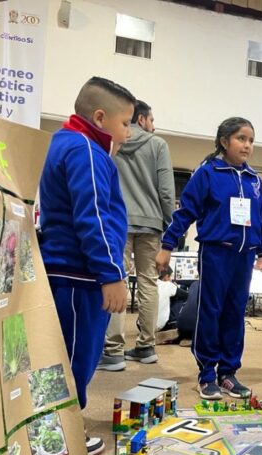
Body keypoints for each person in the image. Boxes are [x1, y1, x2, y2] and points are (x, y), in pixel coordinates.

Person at [38, 76, 135, 455]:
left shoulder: (67, 141)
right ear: (100, 117)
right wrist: (110, 274)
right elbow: (93, 217)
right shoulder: (86, 151)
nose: (129, 132)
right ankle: (64, 430)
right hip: (80, 275)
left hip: (72, 271)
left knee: (68, 352)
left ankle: (60, 423)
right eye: (126, 123)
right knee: (77, 355)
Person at [155, 117, 262, 401]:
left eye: (251, 140)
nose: (247, 145)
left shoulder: (254, 179)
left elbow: (257, 219)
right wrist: (167, 244)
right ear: (224, 141)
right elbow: (186, 212)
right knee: (212, 311)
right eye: (241, 139)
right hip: (216, 252)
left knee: (235, 313)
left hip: (243, 257)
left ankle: (228, 373)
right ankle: (207, 373)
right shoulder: (207, 173)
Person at [97, 100, 175, 372]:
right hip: (151, 223)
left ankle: (113, 351)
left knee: (116, 279)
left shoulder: (112, 141)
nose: (154, 127)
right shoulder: (158, 145)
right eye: (152, 120)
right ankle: (146, 346)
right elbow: (166, 191)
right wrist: (168, 224)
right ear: (141, 119)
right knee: (148, 282)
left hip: (117, 221)